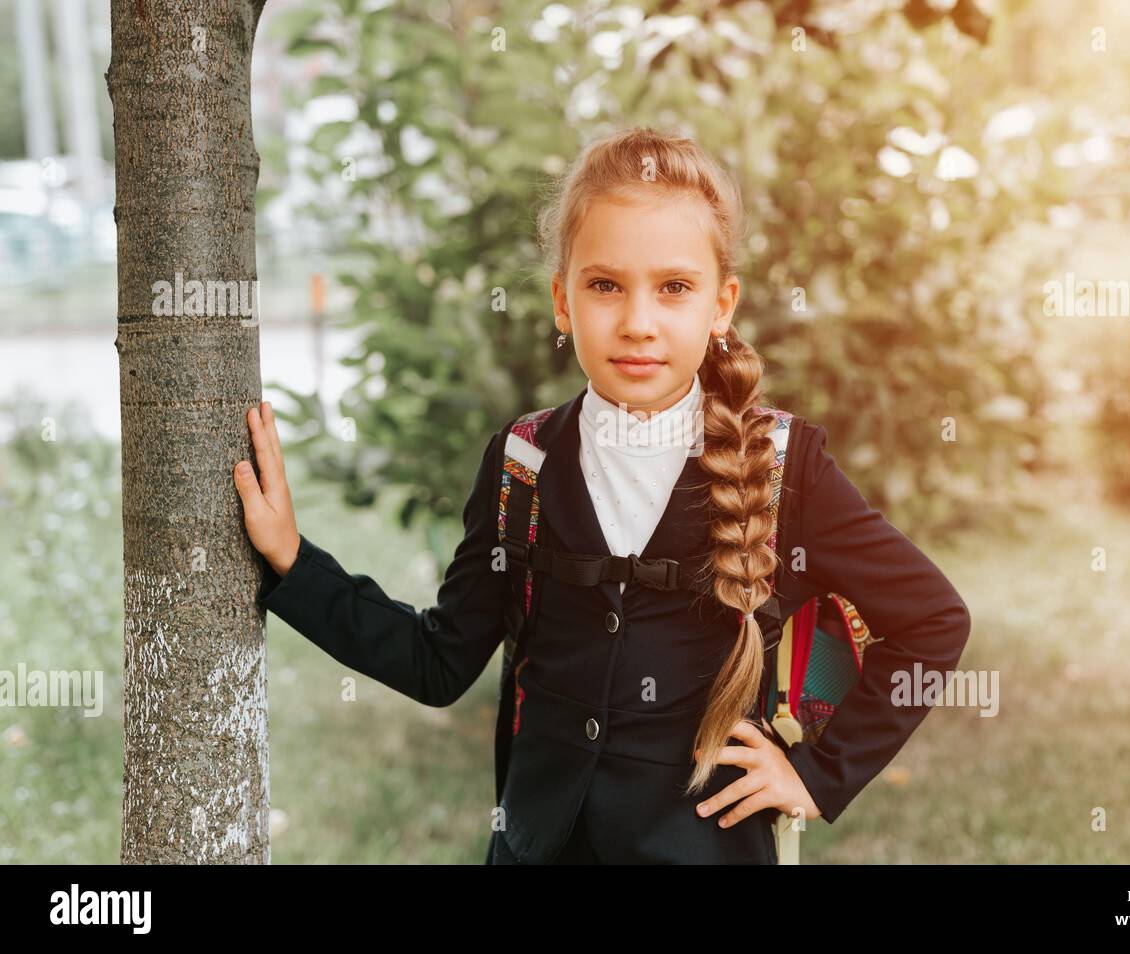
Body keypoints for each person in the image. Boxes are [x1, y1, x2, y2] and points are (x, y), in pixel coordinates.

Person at [233, 125, 972, 864]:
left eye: (675, 288)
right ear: (563, 300)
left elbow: (933, 621)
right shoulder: (521, 463)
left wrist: (818, 775)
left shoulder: (783, 467)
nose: (638, 322)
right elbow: (438, 663)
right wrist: (294, 562)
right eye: (605, 285)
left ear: (722, 305)